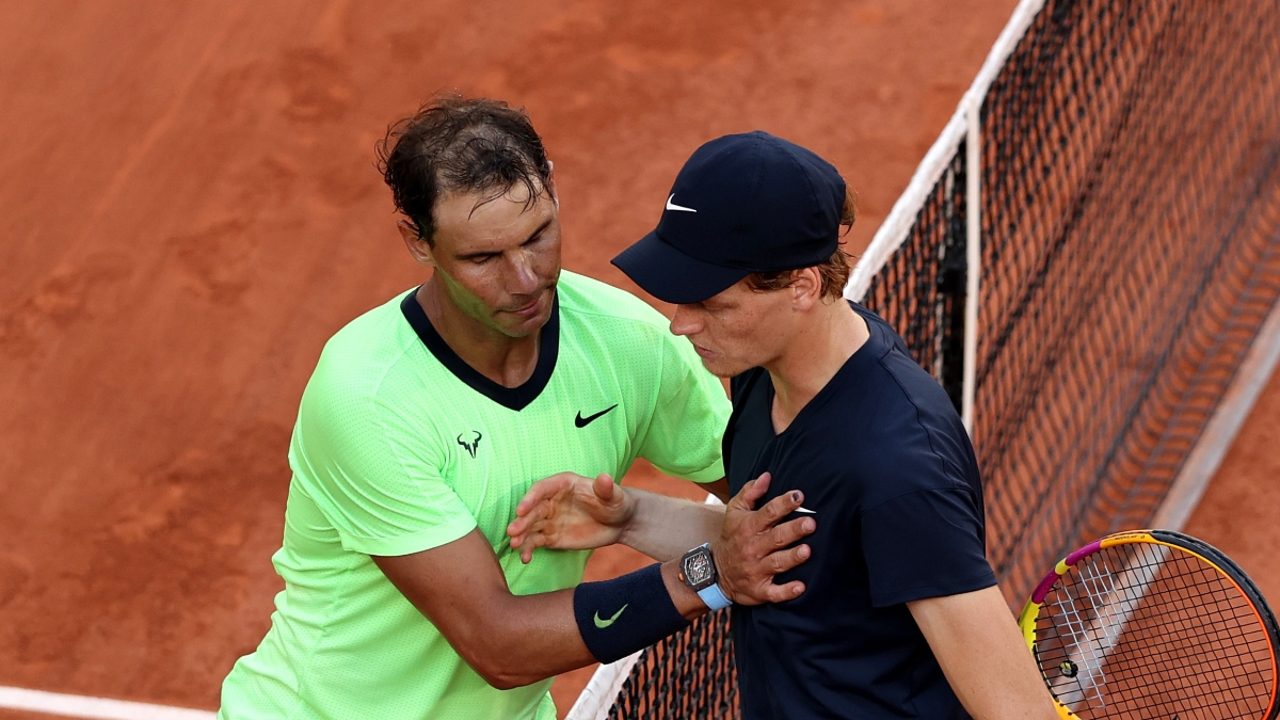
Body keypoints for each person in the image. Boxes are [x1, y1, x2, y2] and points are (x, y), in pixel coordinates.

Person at [217, 98, 814, 720]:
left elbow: (778, 504)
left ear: (552, 185)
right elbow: (497, 644)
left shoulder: (630, 344)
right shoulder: (368, 396)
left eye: (538, 236)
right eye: (482, 258)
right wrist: (709, 573)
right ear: (418, 242)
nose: (526, 278)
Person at [508, 131, 1059, 718]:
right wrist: (631, 517)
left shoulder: (898, 468)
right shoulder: (762, 371)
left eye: (711, 304)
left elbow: (1017, 710)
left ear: (802, 286)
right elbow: (777, 549)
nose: (680, 326)